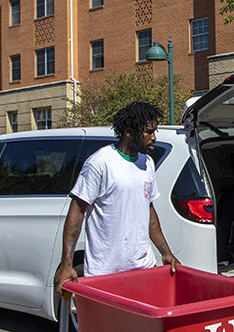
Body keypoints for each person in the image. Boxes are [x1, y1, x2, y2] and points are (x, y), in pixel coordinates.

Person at [54, 102, 179, 289]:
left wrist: (166, 252)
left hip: (143, 267)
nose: (154, 138)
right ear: (129, 132)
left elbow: (148, 210)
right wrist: (66, 263)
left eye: (155, 131)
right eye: (148, 132)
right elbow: (78, 211)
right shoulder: (100, 163)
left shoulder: (147, 163)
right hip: (106, 272)